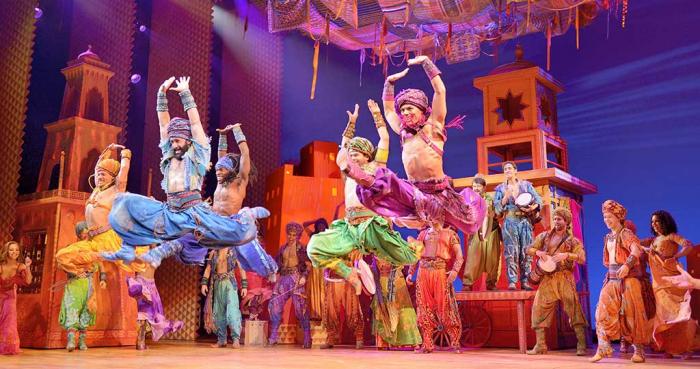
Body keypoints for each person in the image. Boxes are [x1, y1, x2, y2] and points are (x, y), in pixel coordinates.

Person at [104, 77, 259, 263]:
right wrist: (161, 94)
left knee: (192, 245)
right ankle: (127, 249)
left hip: (190, 211)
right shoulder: (169, 156)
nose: (174, 144)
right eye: (172, 141)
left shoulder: (196, 157)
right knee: (125, 202)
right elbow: (163, 125)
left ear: (188, 141)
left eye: (177, 141)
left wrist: (186, 93)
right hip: (169, 209)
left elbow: (195, 124)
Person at [342, 56, 485, 237]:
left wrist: (426, 63)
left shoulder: (434, 127)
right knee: (387, 181)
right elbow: (388, 110)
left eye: (409, 108)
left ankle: (473, 203)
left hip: (438, 193)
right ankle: (359, 175)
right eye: (402, 110)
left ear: (421, 109)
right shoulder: (403, 133)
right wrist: (389, 83)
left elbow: (440, 91)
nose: (405, 113)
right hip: (413, 191)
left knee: (470, 224)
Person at [308, 101, 420, 294]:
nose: (351, 156)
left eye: (356, 153)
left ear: (367, 156)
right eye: (351, 153)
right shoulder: (347, 171)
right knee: (314, 248)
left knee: (407, 257)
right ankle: (349, 273)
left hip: (372, 227)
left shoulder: (375, 167)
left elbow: (384, 139)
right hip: (350, 228)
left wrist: (377, 114)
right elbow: (342, 148)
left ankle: (414, 245)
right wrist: (351, 123)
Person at [140, 123, 276, 278]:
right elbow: (221, 157)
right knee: (188, 233)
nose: (218, 172)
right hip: (213, 222)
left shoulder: (239, 183)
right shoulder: (220, 182)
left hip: (232, 224)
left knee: (249, 250)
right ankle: (161, 252)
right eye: (217, 170)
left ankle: (270, 270)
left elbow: (245, 153)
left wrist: (236, 130)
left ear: (231, 171)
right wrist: (223, 135)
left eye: (222, 170)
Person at [591, 200, 652, 363]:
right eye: (604, 217)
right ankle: (603, 347)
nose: (606, 220)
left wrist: (627, 264)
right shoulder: (608, 237)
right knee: (601, 311)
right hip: (612, 278)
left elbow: (636, 249)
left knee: (633, 314)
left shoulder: (625, 233)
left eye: (610, 216)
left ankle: (638, 350)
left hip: (629, 279)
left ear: (618, 217)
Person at [525, 208, 588, 356]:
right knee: (538, 308)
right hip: (548, 278)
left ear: (566, 222)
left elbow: (582, 257)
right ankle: (540, 345)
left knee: (573, 308)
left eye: (559, 219)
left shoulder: (573, 241)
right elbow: (529, 248)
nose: (556, 221)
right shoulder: (545, 236)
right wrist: (538, 252)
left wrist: (567, 255)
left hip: (564, 277)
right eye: (554, 218)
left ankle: (581, 344)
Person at [640, 210, 697, 357]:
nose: (654, 224)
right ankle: (669, 348)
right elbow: (639, 246)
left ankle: (685, 346)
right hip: (658, 282)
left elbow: (688, 245)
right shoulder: (653, 240)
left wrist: (675, 256)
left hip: (672, 280)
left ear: (664, 222)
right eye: (652, 222)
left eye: (657, 221)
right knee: (663, 314)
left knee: (677, 314)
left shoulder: (671, 236)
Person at [407, 223, 463, 354]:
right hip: (423, 272)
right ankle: (427, 343)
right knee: (424, 306)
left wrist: (455, 271)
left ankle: (455, 341)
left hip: (440, 272)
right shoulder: (423, 234)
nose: (432, 219)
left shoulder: (450, 234)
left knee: (445, 305)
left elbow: (459, 255)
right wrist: (410, 272)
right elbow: (416, 254)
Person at [57, 223, 107, 351]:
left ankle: (82, 341)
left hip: (89, 283)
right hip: (75, 283)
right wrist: (75, 271)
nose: (85, 234)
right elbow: (61, 263)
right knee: (73, 308)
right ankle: (71, 340)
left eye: (87, 232)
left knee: (87, 309)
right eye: (83, 232)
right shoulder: (72, 248)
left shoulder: (94, 247)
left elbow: (101, 265)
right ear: (78, 234)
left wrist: (103, 279)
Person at [493, 161, 542, 290]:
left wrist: (533, 207)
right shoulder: (500, 189)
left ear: (515, 170)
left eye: (509, 168)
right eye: (505, 169)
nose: (507, 171)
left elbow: (538, 200)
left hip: (525, 221)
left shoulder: (525, 185)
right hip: (510, 221)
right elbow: (497, 209)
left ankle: (525, 280)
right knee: (511, 251)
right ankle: (512, 281)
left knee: (526, 251)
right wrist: (505, 197)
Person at [127, 245, 183, 350]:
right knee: (143, 314)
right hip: (142, 283)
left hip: (152, 285)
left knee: (152, 315)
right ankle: (140, 342)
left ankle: (141, 341)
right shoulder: (141, 251)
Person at [267, 223, 311, 348]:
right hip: (283, 278)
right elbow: (277, 264)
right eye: (289, 234)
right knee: (275, 304)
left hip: (296, 278)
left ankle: (307, 337)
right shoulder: (282, 248)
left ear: (298, 236)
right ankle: (273, 337)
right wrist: (274, 274)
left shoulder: (301, 248)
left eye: (294, 235)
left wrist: (304, 277)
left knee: (300, 308)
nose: (291, 237)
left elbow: (308, 265)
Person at [371, 256, 421, 350]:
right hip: (382, 281)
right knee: (382, 310)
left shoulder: (395, 248)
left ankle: (412, 341)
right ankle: (384, 342)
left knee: (403, 310)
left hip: (396, 282)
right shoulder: (377, 249)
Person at [463, 174, 502, 291]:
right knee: (473, 257)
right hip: (476, 231)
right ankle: (467, 283)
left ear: (484, 188)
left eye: (478, 186)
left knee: (493, 258)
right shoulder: (467, 200)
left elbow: (499, 214)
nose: (476, 188)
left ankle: (491, 283)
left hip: (492, 231)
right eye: (474, 186)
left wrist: (493, 214)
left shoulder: (491, 200)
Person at [201, 247, 246, 348]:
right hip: (218, 284)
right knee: (218, 312)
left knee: (232, 311)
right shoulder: (214, 252)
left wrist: (244, 286)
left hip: (229, 283)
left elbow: (241, 267)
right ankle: (222, 340)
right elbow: (208, 268)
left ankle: (235, 339)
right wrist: (204, 283)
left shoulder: (233, 251)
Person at [0, 241, 32, 355]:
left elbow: (28, 281)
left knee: (9, 322)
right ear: (6, 251)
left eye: (17, 250)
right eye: (12, 249)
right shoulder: (1, 265)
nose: (15, 252)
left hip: (10, 297)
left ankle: (7, 347)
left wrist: (27, 267)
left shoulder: (20, 266)